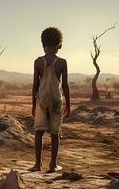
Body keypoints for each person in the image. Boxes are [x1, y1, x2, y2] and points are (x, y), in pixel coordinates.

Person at [29, 27, 71, 173]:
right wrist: (69, 105)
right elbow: (65, 85)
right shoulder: (62, 63)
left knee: (38, 133)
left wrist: (33, 105)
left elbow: (35, 84)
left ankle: (37, 164)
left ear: (42, 44)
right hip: (56, 102)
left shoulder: (38, 62)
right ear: (59, 45)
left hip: (41, 100)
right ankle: (53, 165)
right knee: (54, 134)